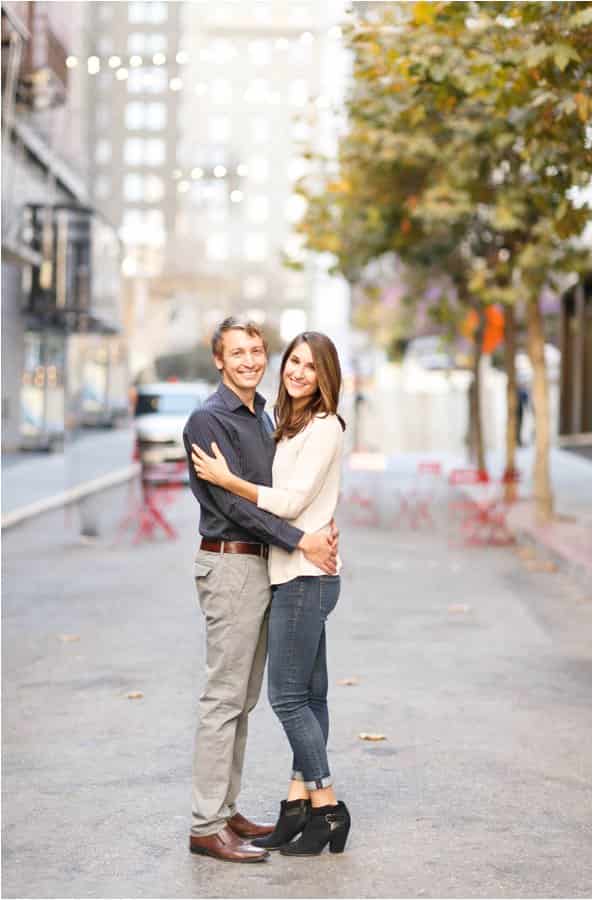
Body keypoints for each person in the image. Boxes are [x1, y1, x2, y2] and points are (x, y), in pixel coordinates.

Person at [183, 317, 338, 863]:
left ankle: (225, 812)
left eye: (255, 350)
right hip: (229, 566)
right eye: (236, 352)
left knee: (243, 701)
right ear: (219, 361)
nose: (249, 360)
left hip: (264, 566)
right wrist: (302, 539)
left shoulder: (262, 416)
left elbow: (284, 491)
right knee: (224, 700)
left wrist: (311, 532)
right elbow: (233, 506)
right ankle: (206, 824)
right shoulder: (208, 420)